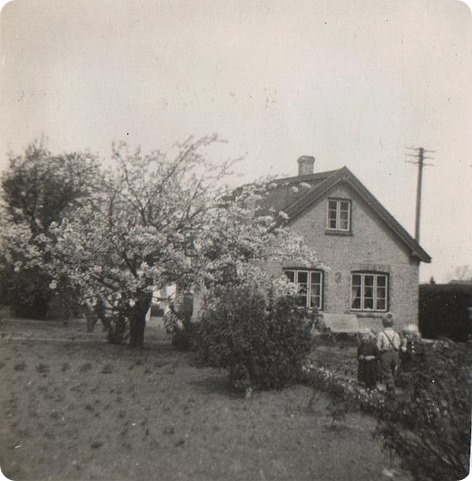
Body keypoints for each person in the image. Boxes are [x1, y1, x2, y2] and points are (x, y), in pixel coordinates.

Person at [376, 312, 401, 399]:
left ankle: (390, 388)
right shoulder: (396, 334)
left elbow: (378, 347)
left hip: (386, 354)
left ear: (383, 323)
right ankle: (390, 386)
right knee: (393, 370)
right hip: (395, 354)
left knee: (387, 371)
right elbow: (398, 346)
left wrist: (381, 351)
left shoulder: (381, 334)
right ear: (393, 323)